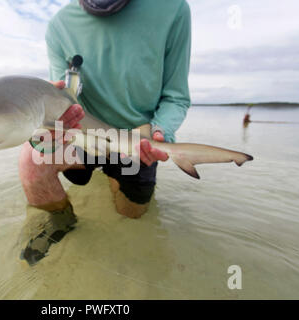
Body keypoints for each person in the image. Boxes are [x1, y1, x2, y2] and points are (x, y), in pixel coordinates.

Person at [19, 0, 191, 265]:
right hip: (81, 133)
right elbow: (63, 96)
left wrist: (160, 132)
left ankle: (116, 178)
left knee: (130, 217)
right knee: (32, 158)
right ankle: (61, 222)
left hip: (136, 139)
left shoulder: (173, 8)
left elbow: (176, 97)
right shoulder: (59, 25)